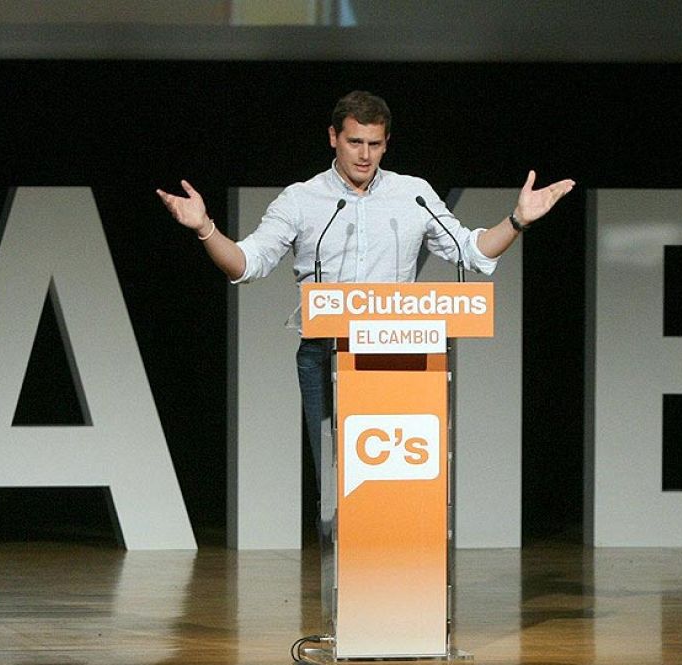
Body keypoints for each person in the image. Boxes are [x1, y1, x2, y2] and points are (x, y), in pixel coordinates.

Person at [157, 90, 575, 485]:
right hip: (325, 354)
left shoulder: (413, 194)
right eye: (355, 142)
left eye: (375, 144)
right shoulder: (301, 200)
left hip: (400, 352)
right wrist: (205, 228)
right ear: (333, 137)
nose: (364, 155)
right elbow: (247, 265)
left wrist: (517, 220)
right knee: (338, 480)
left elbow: (472, 252)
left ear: (386, 143)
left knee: (396, 478)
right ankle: (340, 558)